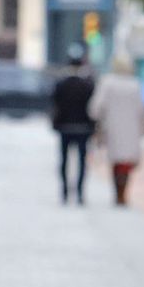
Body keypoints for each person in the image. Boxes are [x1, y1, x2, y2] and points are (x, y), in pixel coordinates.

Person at [88, 54, 144, 206]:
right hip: (131, 128)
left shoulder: (107, 83)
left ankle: (118, 192)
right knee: (126, 162)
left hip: (112, 127)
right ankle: (123, 192)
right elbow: (142, 110)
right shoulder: (135, 84)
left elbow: (96, 107)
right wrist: (143, 128)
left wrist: (96, 120)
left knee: (116, 161)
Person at [50, 43, 96, 204]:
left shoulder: (61, 84)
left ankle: (64, 191)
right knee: (82, 161)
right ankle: (80, 192)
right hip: (83, 128)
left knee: (64, 160)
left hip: (65, 127)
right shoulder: (88, 84)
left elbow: (54, 104)